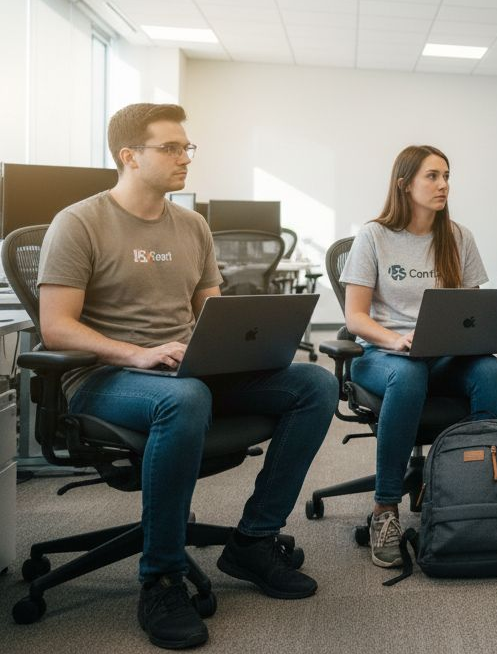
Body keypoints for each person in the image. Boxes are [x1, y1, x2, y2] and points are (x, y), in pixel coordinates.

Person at [37, 103, 337, 649]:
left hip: (185, 369)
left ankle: (253, 541)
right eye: (170, 148)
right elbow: (56, 329)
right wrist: (135, 354)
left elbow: (212, 314)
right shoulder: (79, 222)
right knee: (187, 400)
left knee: (314, 385)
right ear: (129, 157)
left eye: (186, 147)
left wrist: (243, 346)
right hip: (105, 378)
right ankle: (162, 577)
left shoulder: (192, 225)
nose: (185, 158)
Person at [340, 145, 497, 569]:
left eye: (446, 176)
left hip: (443, 355)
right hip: (383, 355)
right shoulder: (374, 236)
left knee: (489, 371)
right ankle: (385, 509)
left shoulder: (458, 237)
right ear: (405, 184)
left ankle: (487, 500)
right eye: (432, 176)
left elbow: (471, 315)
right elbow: (355, 317)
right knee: (409, 374)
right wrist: (396, 340)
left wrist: (469, 337)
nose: (443, 185)